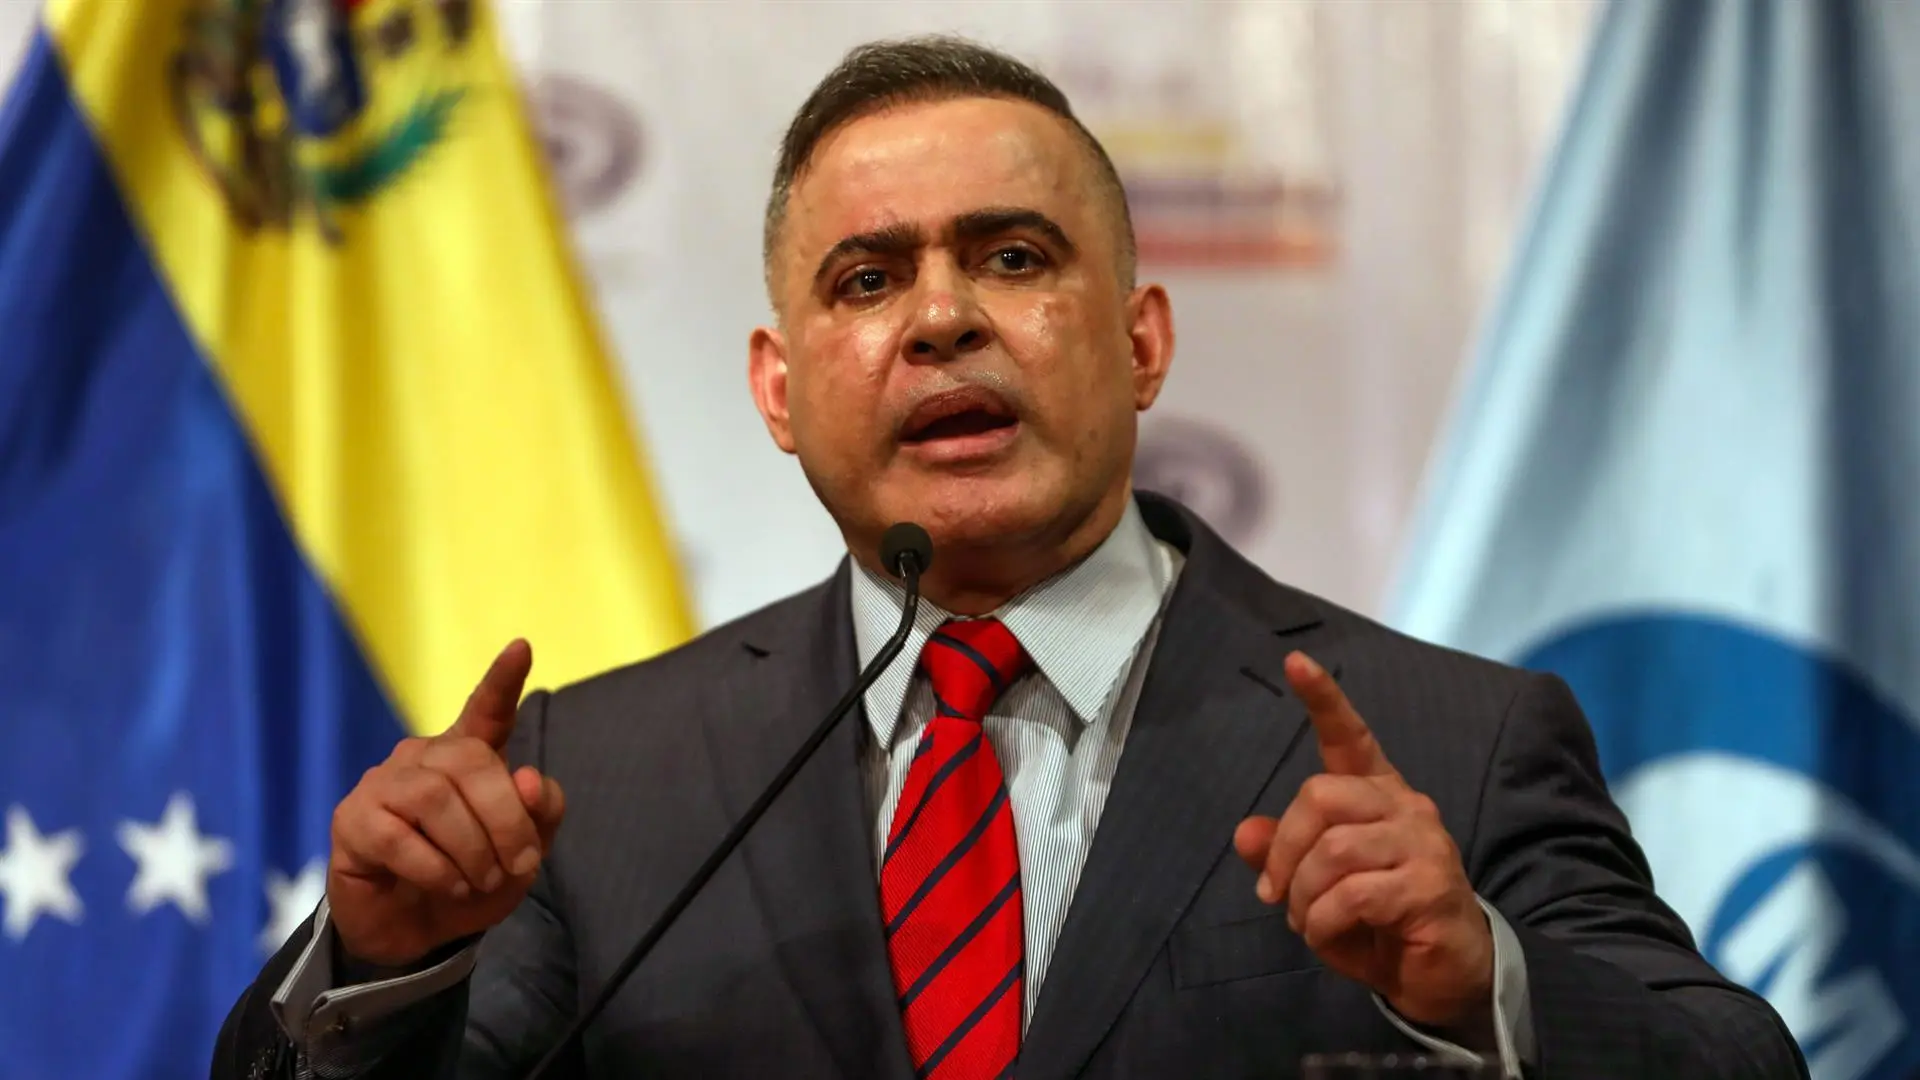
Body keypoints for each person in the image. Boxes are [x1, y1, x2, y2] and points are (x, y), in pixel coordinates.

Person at [211, 34, 1807, 1080]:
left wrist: (1483, 988)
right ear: (778, 392)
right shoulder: (598, 782)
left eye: (1014, 257)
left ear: (1142, 341)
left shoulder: (1452, 742)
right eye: (865, 279)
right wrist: (386, 962)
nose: (941, 316)